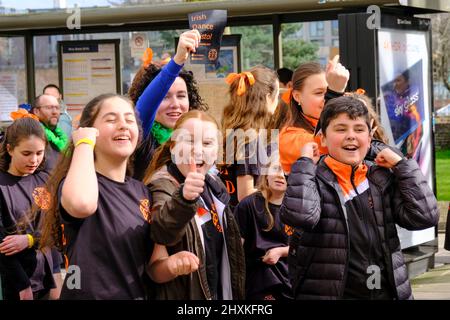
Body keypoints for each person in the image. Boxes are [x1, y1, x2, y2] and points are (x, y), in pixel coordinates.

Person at [280, 96, 439, 300]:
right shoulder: (312, 177)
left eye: (359, 129)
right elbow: (301, 217)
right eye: (340, 129)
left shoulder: (382, 177)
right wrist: (303, 164)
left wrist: (402, 166)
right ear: (322, 138)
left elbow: (425, 216)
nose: (351, 136)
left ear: (370, 135)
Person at [39, 94, 153, 300]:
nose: (123, 126)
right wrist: (83, 142)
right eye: (111, 119)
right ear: (90, 131)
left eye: (129, 120)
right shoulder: (78, 183)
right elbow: (81, 204)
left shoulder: (142, 191)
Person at [144, 110, 245, 300]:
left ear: (217, 152)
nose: (198, 150)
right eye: (189, 141)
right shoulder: (161, 185)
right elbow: (161, 232)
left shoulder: (215, 185)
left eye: (207, 143)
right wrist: (184, 198)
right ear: (173, 147)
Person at [128, 29, 207, 180]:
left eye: (181, 96)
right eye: (165, 97)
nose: (175, 104)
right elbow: (146, 105)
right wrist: (178, 60)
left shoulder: (197, 137)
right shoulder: (142, 135)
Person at [0, 115, 55, 300]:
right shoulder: (2, 185)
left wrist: (30, 239)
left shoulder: (45, 180)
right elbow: (3, 245)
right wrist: (22, 286)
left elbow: (55, 228)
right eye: (26, 153)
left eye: (39, 153)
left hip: (45, 277)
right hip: (15, 283)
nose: (34, 160)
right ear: (9, 149)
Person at [219, 66, 279, 209]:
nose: (278, 101)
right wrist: (277, 191)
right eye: (277, 96)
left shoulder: (235, 133)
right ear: (267, 98)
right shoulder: (250, 139)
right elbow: (245, 194)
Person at [233, 157, 293, 300]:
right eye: (275, 169)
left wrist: (280, 251)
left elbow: (305, 247)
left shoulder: (296, 208)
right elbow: (234, 250)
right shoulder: (248, 205)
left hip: (289, 281)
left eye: (286, 171)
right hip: (257, 282)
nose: (280, 175)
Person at [279, 56, 349, 174]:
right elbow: (324, 142)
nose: (325, 98)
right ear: (297, 96)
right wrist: (334, 95)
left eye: (328, 92)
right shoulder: (287, 136)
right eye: (319, 93)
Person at [31, 94, 68, 171]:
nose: (55, 112)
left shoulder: (56, 132)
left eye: (57, 108)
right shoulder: (30, 133)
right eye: (49, 107)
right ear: (36, 111)